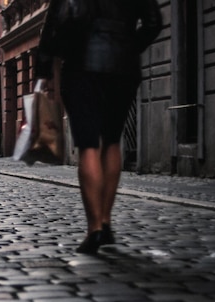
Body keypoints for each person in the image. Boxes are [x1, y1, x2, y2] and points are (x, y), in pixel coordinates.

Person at [35, 0, 162, 254]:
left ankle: (94, 229)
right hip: (123, 67)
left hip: (81, 66)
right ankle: (105, 219)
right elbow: (154, 23)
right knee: (112, 140)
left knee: (89, 144)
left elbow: (53, 27)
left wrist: (45, 70)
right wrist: (128, 46)